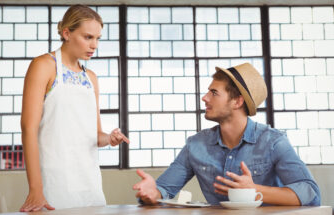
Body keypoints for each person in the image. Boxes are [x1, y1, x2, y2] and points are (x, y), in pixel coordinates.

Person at [133, 63, 321, 206]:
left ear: (237, 101)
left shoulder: (273, 142)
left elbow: (310, 192)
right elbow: (164, 189)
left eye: (214, 93)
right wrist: (153, 193)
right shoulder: (195, 145)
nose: (205, 98)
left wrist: (255, 190)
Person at [20, 4, 129, 212]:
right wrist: (35, 188)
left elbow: (95, 135)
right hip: (54, 180)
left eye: (97, 38)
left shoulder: (91, 79)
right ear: (66, 33)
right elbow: (28, 129)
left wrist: (109, 138)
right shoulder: (43, 66)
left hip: (89, 180)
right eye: (88, 37)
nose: (94, 45)